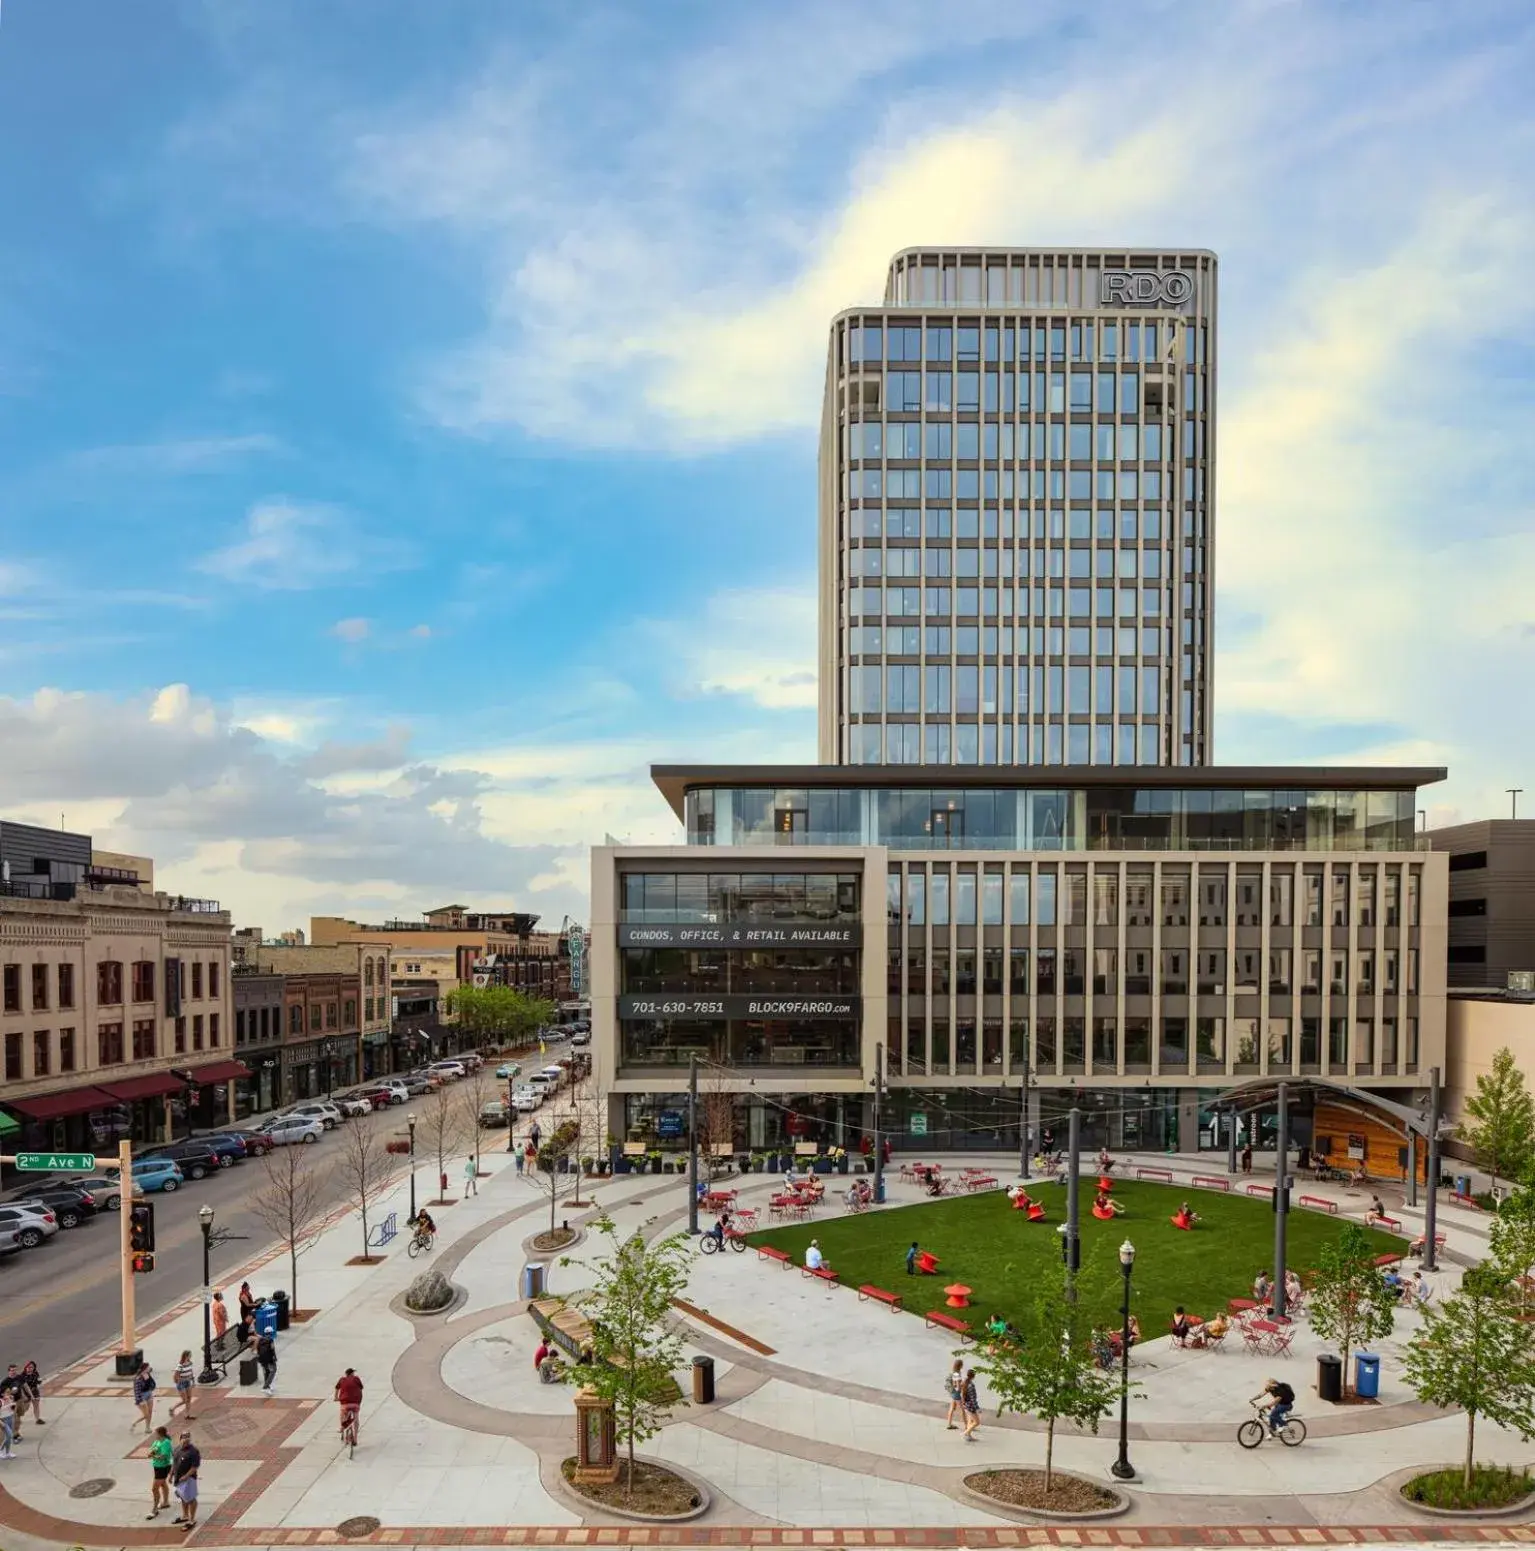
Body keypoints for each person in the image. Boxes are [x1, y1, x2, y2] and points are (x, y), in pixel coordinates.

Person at [171, 1430, 201, 1530]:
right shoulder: (176, 1450)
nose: (186, 1440)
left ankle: (192, 1520)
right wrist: (171, 1475)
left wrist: (186, 1476)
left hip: (189, 1479)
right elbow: (174, 1463)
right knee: (183, 1497)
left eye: (188, 1438)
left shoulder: (193, 1451)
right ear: (180, 1439)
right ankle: (185, 1516)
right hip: (178, 1479)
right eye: (184, 1438)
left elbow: (194, 1467)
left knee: (191, 1498)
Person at [148, 1425, 174, 1517]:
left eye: (156, 1433)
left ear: (160, 1434)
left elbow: (163, 1456)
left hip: (163, 1467)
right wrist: (151, 1453)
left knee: (154, 1488)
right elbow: (153, 1449)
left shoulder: (166, 1443)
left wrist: (153, 1456)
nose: (155, 1435)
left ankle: (155, 1509)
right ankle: (165, 1502)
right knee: (162, 1484)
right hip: (157, 1466)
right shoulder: (157, 1441)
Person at [334, 1368, 364, 1438]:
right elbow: (361, 1388)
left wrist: (336, 1397)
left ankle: (342, 1427)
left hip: (345, 1402)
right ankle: (355, 1438)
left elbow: (337, 1388)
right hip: (355, 1402)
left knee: (342, 1413)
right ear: (352, 1374)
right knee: (356, 1416)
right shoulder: (356, 1379)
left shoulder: (342, 1379)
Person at [171, 1350, 196, 1420]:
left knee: (189, 1398)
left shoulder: (190, 1363)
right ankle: (173, 1408)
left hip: (188, 1382)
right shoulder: (180, 1365)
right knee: (184, 1400)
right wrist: (179, 1382)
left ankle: (187, 1414)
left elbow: (191, 1372)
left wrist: (193, 1381)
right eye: (189, 1355)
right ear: (185, 1356)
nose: (190, 1357)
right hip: (181, 1383)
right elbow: (176, 1375)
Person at [133, 1360, 157, 1433]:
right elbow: (137, 1391)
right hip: (142, 1396)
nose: (149, 1368)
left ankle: (147, 1427)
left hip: (149, 1394)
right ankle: (135, 1423)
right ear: (144, 1368)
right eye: (148, 1367)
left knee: (150, 1412)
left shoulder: (148, 1374)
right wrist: (140, 1401)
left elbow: (153, 1383)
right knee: (146, 1414)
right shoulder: (138, 1378)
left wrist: (151, 1388)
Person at [17, 1362, 41, 1430]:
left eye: (31, 1367)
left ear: (34, 1368)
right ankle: (18, 1417)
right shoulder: (22, 1376)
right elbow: (21, 1387)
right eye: (28, 1367)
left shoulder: (35, 1374)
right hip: (25, 1393)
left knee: (36, 1405)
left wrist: (39, 1381)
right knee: (25, 1408)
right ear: (25, 1368)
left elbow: (38, 1381)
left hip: (34, 1391)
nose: (29, 1369)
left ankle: (37, 1419)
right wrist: (23, 1395)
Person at [943, 1358, 964, 1430]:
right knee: (963, 1409)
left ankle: (949, 1424)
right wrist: (962, 1385)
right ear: (960, 1366)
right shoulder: (956, 1374)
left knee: (952, 1408)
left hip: (952, 1393)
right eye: (962, 1365)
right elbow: (957, 1387)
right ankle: (967, 1425)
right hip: (956, 1394)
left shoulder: (954, 1372)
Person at [961, 1367, 981, 1440]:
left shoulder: (965, 1382)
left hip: (966, 1405)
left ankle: (968, 1436)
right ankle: (966, 1433)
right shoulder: (971, 1385)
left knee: (970, 1420)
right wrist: (977, 1408)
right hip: (970, 1406)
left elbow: (963, 1393)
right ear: (973, 1376)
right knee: (977, 1422)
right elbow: (973, 1399)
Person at [0, 1385, 14, 1460]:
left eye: (9, 1392)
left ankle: (7, 1453)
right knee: (9, 1435)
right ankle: (1, 1450)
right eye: (7, 1392)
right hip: (3, 1420)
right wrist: (1, 1423)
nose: (9, 1393)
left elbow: (12, 1409)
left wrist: (11, 1401)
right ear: (2, 1394)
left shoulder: (10, 1398)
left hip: (10, 1418)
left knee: (8, 1438)